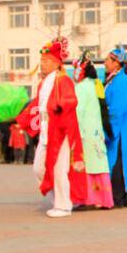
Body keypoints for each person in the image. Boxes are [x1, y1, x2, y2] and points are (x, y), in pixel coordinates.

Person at [34, 39, 87, 217]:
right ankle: (58, 198)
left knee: (59, 168)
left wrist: (60, 106)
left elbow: (71, 99)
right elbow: (37, 105)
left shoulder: (63, 80)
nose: (43, 64)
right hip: (45, 129)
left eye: (47, 61)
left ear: (56, 63)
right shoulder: (43, 83)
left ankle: (63, 205)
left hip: (59, 128)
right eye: (42, 61)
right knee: (39, 168)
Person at [73, 56, 114, 209]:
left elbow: (78, 111)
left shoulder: (82, 87)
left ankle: (87, 198)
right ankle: (101, 198)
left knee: (88, 166)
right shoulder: (95, 84)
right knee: (98, 165)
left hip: (86, 133)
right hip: (96, 132)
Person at [104, 46, 127, 207]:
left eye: (108, 60)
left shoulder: (121, 81)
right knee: (115, 162)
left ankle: (120, 197)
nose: (105, 63)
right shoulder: (114, 79)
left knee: (118, 163)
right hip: (116, 127)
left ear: (117, 63)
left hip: (120, 130)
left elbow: (118, 109)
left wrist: (109, 130)